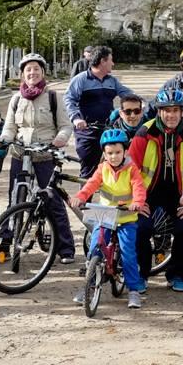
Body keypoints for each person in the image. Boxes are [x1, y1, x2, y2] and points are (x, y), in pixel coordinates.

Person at [128, 89, 183, 292]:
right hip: (148, 192)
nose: (171, 115)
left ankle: (176, 274)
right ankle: (142, 274)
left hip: (181, 194)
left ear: (182, 112)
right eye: (166, 110)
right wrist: (137, 201)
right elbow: (132, 170)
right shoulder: (144, 133)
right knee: (141, 228)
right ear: (159, 111)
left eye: (175, 110)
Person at [6, 52, 75, 262]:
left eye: (36, 69)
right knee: (14, 199)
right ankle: (5, 243)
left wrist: (61, 138)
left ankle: (65, 248)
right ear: (22, 74)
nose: (32, 73)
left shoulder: (53, 97)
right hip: (21, 154)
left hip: (45, 155)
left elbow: (65, 125)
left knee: (52, 200)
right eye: (28, 70)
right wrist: (4, 138)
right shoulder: (16, 99)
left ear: (43, 72)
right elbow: (10, 126)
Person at [72, 127, 148, 309]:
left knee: (128, 253)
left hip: (126, 216)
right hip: (104, 215)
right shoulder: (102, 168)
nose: (114, 156)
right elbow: (91, 184)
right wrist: (81, 197)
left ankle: (133, 290)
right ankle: (89, 287)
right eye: (109, 153)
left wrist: (137, 201)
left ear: (125, 152)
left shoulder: (132, 169)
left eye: (117, 152)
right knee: (94, 249)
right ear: (104, 154)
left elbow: (139, 188)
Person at [66, 45, 136, 177]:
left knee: (113, 167)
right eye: (111, 60)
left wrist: (141, 104)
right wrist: (76, 118)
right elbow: (69, 100)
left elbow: (127, 94)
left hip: (107, 130)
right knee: (88, 171)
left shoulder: (112, 81)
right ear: (103, 61)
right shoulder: (81, 79)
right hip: (87, 131)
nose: (113, 63)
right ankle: (85, 197)